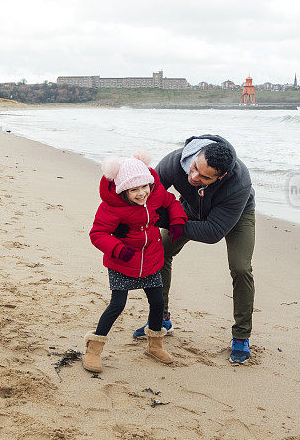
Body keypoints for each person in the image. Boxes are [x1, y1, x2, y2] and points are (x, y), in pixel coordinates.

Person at [131, 136, 256, 365]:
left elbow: (213, 232)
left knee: (240, 267)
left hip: (235, 216)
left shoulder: (239, 183)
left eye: (205, 177)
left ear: (221, 177)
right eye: (195, 168)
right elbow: (149, 196)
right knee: (160, 250)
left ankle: (241, 336)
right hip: (189, 208)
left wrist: (165, 221)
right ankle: (161, 319)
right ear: (195, 156)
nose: (194, 177)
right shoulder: (175, 161)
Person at [83, 153, 188, 373]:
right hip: (122, 261)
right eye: (134, 190)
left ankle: (154, 344)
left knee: (158, 303)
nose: (141, 193)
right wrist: (118, 249)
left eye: (144, 187)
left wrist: (178, 220)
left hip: (151, 259)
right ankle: (94, 349)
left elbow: (171, 203)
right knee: (117, 305)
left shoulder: (156, 194)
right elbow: (97, 233)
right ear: (123, 190)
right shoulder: (111, 207)